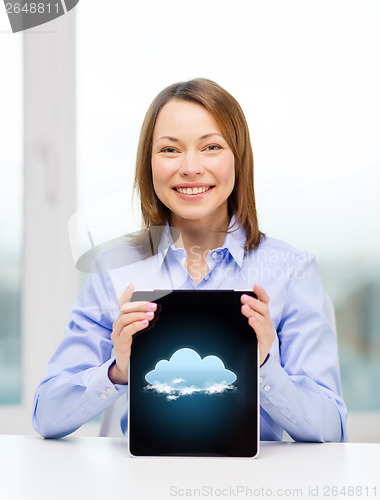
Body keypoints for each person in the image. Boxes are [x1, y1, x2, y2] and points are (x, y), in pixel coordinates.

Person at [32, 78, 347, 441]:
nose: (190, 167)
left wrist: (262, 365)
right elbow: (47, 415)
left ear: (238, 158)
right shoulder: (114, 268)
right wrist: (117, 371)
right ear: (148, 163)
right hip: (139, 485)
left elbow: (332, 429)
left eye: (211, 146)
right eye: (170, 150)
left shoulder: (291, 270)